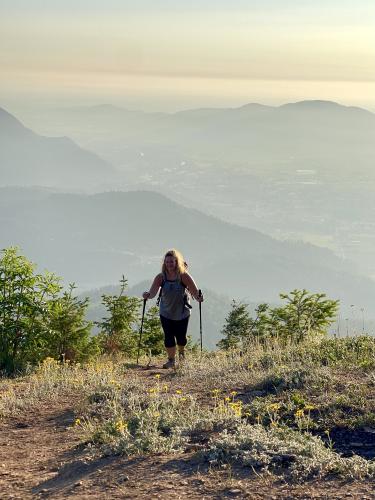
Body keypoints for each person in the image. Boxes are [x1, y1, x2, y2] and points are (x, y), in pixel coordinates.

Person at [143, 249, 203, 368]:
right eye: (167, 262)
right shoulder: (161, 277)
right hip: (165, 312)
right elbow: (153, 292)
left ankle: (181, 354)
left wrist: (199, 297)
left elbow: (195, 292)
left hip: (182, 312)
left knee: (181, 337)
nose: (169, 264)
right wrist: (147, 295)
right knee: (168, 336)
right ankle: (171, 360)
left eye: (172, 262)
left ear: (177, 262)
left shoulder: (184, 276)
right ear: (164, 263)